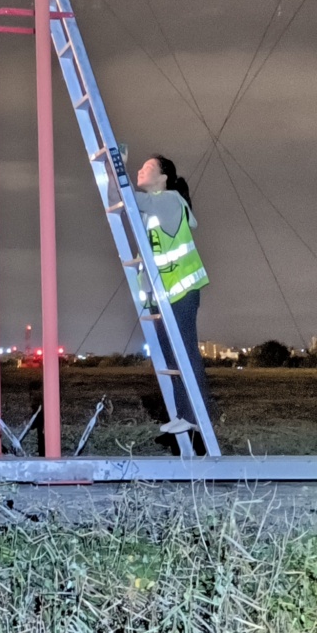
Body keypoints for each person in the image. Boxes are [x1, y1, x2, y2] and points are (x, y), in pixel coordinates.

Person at [133, 154, 213, 430]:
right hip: (166, 296)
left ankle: (195, 416)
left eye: (147, 167)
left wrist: (112, 166)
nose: (139, 170)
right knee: (172, 358)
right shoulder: (152, 209)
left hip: (181, 291)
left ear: (163, 178)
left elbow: (126, 198)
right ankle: (183, 414)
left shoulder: (167, 200)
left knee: (185, 353)